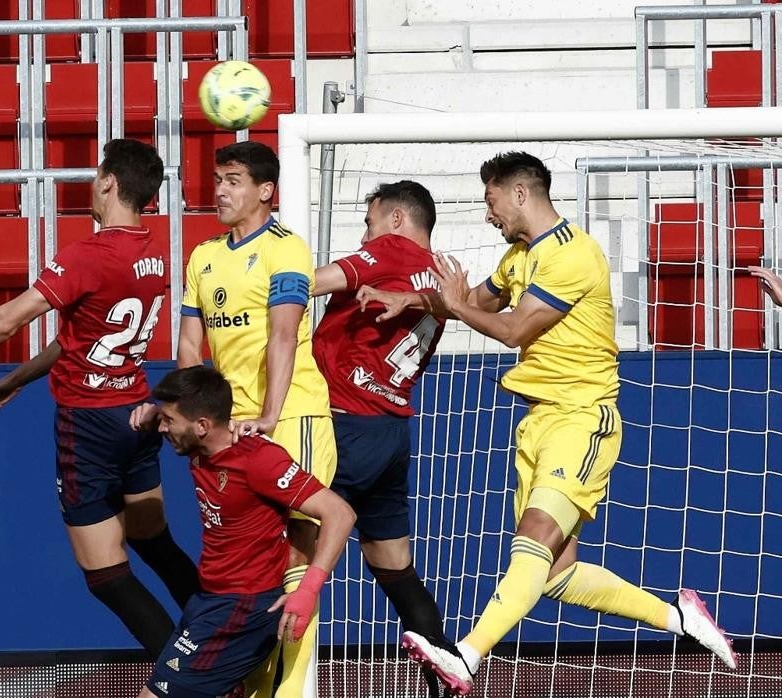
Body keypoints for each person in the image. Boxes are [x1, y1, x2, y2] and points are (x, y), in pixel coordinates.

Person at [372, 152, 738, 695]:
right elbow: (471, 302)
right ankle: (679, 620)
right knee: (556, 575)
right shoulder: (520, 257)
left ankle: (466, 658)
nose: (488, 215)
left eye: (492, 201)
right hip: (538, 422)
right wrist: (411, 298)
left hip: (582, 417)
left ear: (520, 194)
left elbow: (514, 329)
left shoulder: (575, 255)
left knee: (532, 542)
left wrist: (453, 304)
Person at [0, 138, 199, 658]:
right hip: (137, 415)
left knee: (107, 576)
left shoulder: (88, 255)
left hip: (88, 425)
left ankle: (184, 679)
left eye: (98, 177)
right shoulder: (154, 254)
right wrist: (18, 379)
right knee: (154, 542)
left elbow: (9, 318)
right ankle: (226, 647)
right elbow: (79, 338)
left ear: (109, 183)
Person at [135, 141, 335, 698]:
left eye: (233, 179)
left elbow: (282, 332)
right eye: (217, 178)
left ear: (266, 191)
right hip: (231, 422)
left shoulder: (286, 248)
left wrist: (270, 413)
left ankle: (292, 692)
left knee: (296, 558)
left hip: (292, 414)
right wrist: (177, 404)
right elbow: (189, 344)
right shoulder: (204, 256)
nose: (219, 190)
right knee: (249, 565)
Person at [310, 180, 452, 697]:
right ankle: (447, 674)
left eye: (368, 223)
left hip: (344, 424)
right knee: (394, 567)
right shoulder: (439, 279)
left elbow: (315, 280)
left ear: (395, 220)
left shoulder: (387, 252)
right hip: (391, 431)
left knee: (285, 551)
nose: (364, 235)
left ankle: (259, 680)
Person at [138, 366, 355, 698]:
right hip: (208, 601)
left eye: (167, 419)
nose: (162, 426)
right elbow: (167, 418)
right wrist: (149, 412)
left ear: (202, 426)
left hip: (241, 609)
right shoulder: (199, 443)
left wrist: (308, 588)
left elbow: (340, 513)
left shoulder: (259, 460)